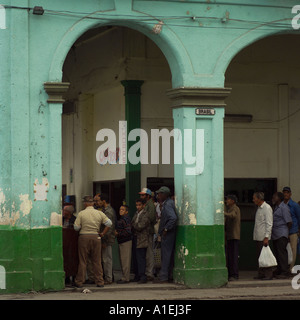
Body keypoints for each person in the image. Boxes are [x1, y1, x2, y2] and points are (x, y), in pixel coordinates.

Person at [73, 195, 112, 288]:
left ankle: (79, 281)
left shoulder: (81, 213)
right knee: (97, 260)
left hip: (84, 237)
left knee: (83, 260)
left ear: (85, 203)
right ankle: (100, 281)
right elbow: (109, 223)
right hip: (96, 237)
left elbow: (76, 228)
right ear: (93, 203)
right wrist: (102, 233)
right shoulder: (99, 213)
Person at [153, 186, 177, 283]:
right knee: (169, 255)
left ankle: (163, 277)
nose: (158, 196)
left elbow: (173, 218)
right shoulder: (168, 203)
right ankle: (169, 275)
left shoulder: (167, 205)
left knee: (166, 255)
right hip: (168, 233)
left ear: (164, 194)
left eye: (159, 194)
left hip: (168, 234)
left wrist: (166, 229)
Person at [253, 192, 273, 280]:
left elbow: (269, 223)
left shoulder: (267, 208)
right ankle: (261, 273)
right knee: (260, 256)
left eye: (254, 198)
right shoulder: (259, 208)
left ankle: (268, 274)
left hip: (263, 237)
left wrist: (266, 237)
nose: (253, 200)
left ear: (259, 199)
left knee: (266, 256)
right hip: (258, 236)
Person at [272, 192, 292, 279]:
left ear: (279, 198)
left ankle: (284, 271)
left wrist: (286, 233)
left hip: (281, 233)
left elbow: (289, 222)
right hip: (275, 234)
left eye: (274, 197)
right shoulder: (276, 207)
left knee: (282, 253)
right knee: (277, 253)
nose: (273, 198)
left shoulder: (284, 207)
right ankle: (279, 270)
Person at [132, 198, 151, 284]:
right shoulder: (136, 213)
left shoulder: (146, 214)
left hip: (142, 238)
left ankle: (143, 276)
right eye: (136, 205)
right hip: (136, 237)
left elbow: (140, 226)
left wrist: (134, 225)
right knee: (136, 257)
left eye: (139, 205)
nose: (138, 207)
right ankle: (137, 275)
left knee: (141, 258)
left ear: (143, 205)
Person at [98, 193, 116, 285]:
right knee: (105, 259)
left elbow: (109, 227)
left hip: (107, 238)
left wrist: (104, 239)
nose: (98, 202)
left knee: (107, 259)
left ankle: (109, 278)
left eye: (99, 201)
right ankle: (109, 277)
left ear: (103, 201)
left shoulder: (108, 211)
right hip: (106, 238)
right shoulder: (105, 210)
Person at [139, 187, 156, 280]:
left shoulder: (150, 205)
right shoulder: (146, 204)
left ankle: (150, 273)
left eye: (143, 195)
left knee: (149, 253)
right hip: (145, 232)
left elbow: (151, 218)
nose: (141, 196)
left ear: (148, 196)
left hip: (148, 231)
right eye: (141, 195)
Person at [282, 186, 300, 270]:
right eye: (284, 192)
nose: (286, 194)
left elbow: (299, 217)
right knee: (284, 251)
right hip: (283, 232)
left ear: (290, 194)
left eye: (287, 192)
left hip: (293, 231)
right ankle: (284, 269)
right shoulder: (281, 205)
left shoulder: (294, 205)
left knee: (292, 251)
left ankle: (290, 269)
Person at [224, 195, 241, 281]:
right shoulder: (229, 209)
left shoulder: (235, 208)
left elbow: (233, 215)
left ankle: (234, 274)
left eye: (228, 200)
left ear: (233, 201)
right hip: (230, 236)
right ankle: (231, 273)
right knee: (230, 256)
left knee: (233, 256)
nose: (226, 201)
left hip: (234, 236)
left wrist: (223, 213)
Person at [115, 205, 133, 284]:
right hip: (122, 241)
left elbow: (128, 231)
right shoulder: (122, 219)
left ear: (126, 211)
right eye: (120, 209)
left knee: (125, 260)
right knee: (123, 260)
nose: (121, 211)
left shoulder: (126, 219)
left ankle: (126, 278)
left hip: (125, 241)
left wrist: (118, 233)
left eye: (123, 209)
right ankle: (124, 277)